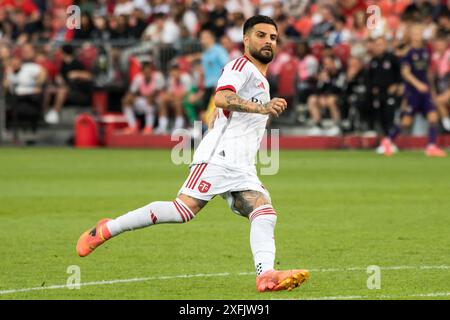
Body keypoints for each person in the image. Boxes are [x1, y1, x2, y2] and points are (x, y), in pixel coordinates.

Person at [76, 15, 309, 293]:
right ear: (246, 39)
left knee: (264, 211)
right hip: (219, 157)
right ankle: (106, 229)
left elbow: (222, 112)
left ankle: (266, 275)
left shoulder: (260, 78)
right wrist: (261, 108)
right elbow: (222, 97)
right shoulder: (240, 66)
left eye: (273, 37)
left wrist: (223, 119)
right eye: (261, 35)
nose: (268, 41)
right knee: (182, 211)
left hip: (241, 164)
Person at [382, 24, 446, 157]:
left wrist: (432, 90)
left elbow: (427, 72)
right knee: (406, 121)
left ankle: (431, 146)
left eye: (419, 33)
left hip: (425, 91)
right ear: (411, 36)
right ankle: (387, 140)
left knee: (433, 116)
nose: (417, 36)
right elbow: (405, 73)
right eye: (415, 34)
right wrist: (418, 85)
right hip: (414, 91)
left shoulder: (425, 51)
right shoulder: (408, 53)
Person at [367, 36, 402, 147]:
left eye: (381, 44)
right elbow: (370, 77)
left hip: (390, 93)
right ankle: (385, 141)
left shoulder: (392, 58)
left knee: (389, 117)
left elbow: (400, 73)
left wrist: (396, 85)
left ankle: (391, 142)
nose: (379, 47)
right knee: (380, 118)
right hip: (379, 94)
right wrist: (373, 87)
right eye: (377, 44)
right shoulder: (374, 61)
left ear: (386, 45)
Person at [121, 61, 166, 135]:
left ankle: (149, 127)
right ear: (142, 71)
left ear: (152, 71)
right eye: (145, 71)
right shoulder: (138, 78)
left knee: (150, 101)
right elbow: (132, 93)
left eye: (149, 71)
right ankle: (133, 126)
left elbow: (158, 92)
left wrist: (150, 97)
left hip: (157, 102)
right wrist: (130, 97)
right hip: (143, 101)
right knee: (126, 101)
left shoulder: (158, 76)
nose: (147, 73)